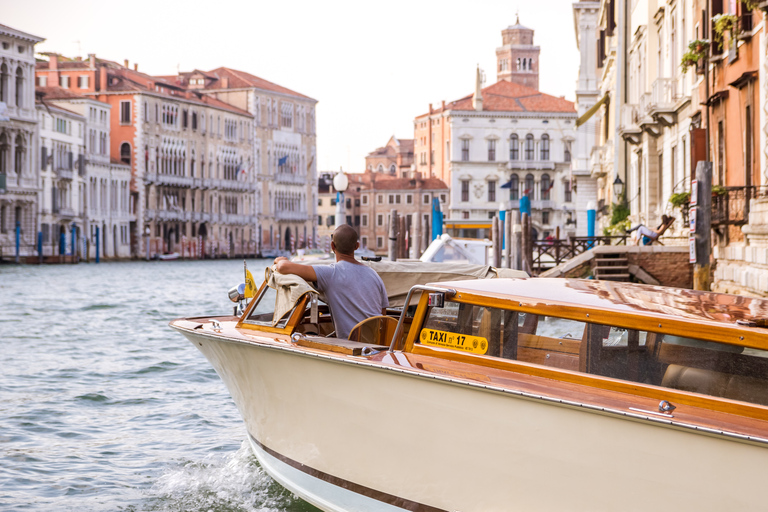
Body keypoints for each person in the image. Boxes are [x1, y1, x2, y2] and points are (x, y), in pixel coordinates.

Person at [274, 224, 389, 339]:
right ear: (357, 246)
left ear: (332, 246)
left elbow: (283, 267)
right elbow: (382, 316)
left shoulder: (331, 273)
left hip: (352, 348)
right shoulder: (374, 275)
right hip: (378, 345)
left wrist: (280, 259)